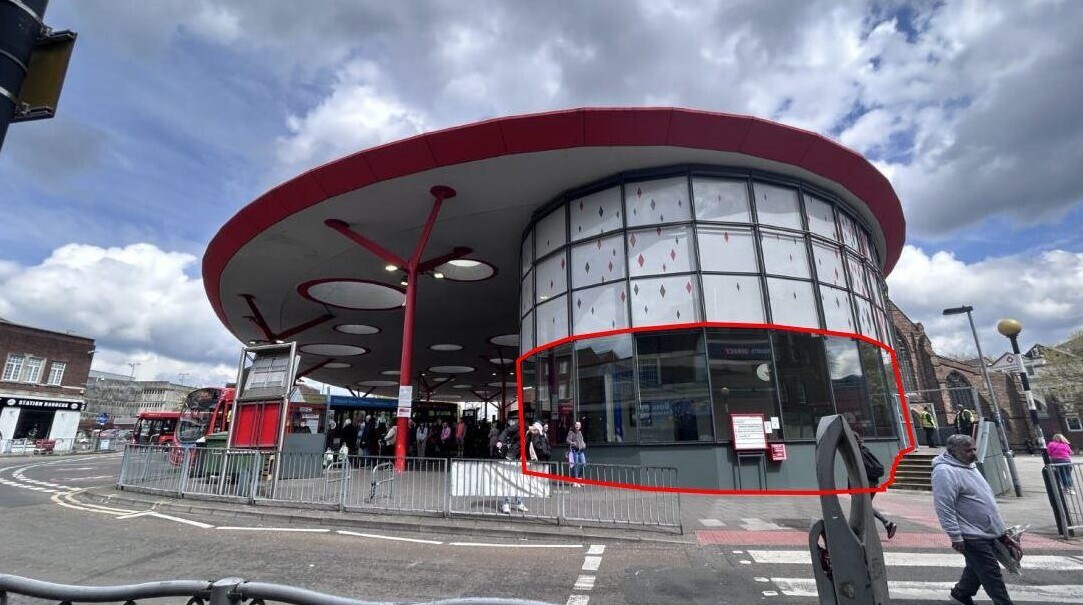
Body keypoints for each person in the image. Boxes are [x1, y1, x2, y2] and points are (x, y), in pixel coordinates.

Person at [932, 434, 1020, 605]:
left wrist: (1000, 530)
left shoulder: (969, 465)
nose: (973, 453)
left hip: (986, 530)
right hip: (971, 534)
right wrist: (955, 536)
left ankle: (960, 594)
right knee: (990, 571)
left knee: (977, 566)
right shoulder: (944, 472)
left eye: (974, 449)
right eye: (968, 450)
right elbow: (944, 506)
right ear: (953, 452)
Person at [855, 432, 898, 539]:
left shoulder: (857, 453)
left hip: (866, 483)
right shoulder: (864, 450)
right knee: (865, 507)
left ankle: (887, 523)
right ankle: (866, 530)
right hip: (873, 482)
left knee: (864, 506)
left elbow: (857, 470)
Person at [496, 417, 528, 514]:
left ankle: (519, 502)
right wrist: (500, 441)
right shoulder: (517, 426)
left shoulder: (528, 429)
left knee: (519, 481)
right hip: (511, 456)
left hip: (519, 458)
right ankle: (505, 503)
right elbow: (506, 431)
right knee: (508, 480)